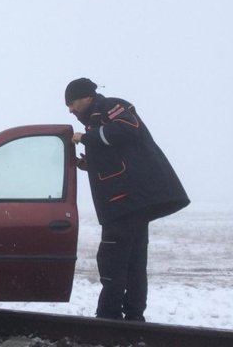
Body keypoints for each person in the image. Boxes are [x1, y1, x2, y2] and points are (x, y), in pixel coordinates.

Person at [64, 78, 189, 321]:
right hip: (128, 203)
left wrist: (86, 138)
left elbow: (126, 130)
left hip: (124, 204)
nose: (70, 109)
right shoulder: (95, 122)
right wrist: (88, 164)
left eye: (71, 102)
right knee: (133, 261)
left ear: (87, 96)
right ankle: (133, 317)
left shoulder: (112, 106)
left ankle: (108, 318)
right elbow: (117, 157)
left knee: (112, 259)